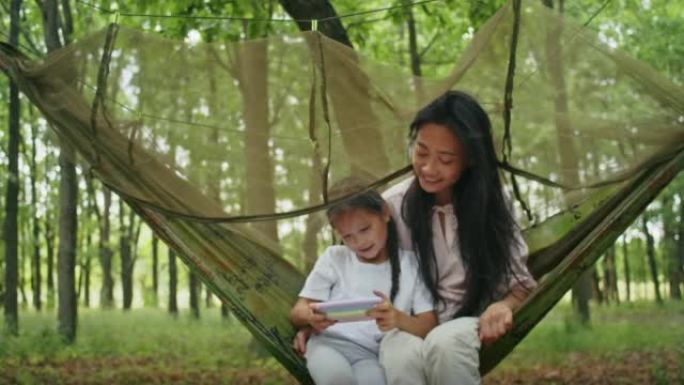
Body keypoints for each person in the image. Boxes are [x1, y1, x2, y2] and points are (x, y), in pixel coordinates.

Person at [378, 90, 537, 385]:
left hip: (465, 320)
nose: (428, 168)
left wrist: (502, 306)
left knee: (445, 345)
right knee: (400, 355)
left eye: (445, 159)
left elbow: (520, 285)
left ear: (470, 161)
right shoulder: (392, 206)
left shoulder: (493, 203)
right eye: (421, 152)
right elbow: (361, 274)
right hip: (407, 323)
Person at [289, 181, 438, 385]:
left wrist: (397, 318)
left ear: (385, 213)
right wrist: (310, 317)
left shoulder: (410, 265)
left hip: (370, 355)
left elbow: (428, 325)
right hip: (328, 344)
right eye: (347, 236)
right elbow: (298, 311)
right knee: (337, 380)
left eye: (365, 229)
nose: (359, 242)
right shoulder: (335, 258)